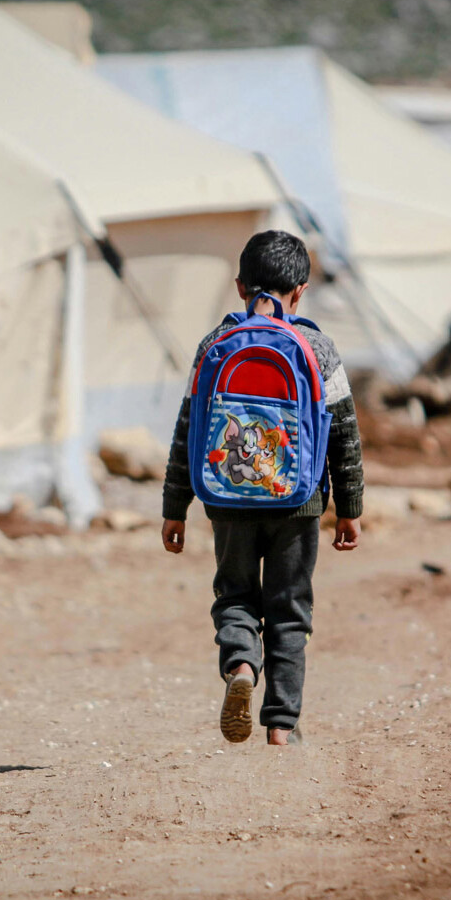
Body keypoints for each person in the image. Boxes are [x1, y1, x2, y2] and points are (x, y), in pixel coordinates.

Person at [160, 230, 363, 746]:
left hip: (226, 500)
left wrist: (175, 507)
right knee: (290, 608)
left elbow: (189, 429)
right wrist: (349, 507)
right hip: (299, 502)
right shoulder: (317, 347)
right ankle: (280, 725)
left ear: (239, 287)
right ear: (302, 290)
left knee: (235, 596)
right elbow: (343, 433)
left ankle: (241, 668)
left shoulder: (212, 346)